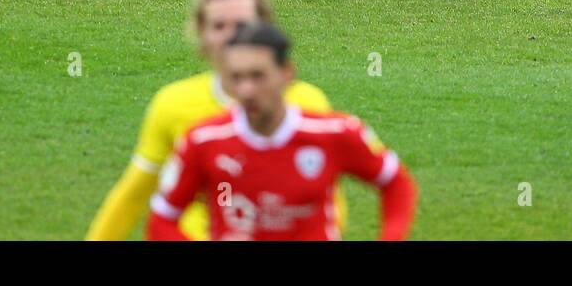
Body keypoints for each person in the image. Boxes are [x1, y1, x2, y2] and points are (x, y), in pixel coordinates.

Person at [86, 0, 335, 240]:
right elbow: (132, 197)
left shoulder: (307, 104)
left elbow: (329, 204)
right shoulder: (174, 105)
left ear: (264, 27)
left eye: (241, 25)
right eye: (218, 26)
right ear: (201, 34)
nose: (230, 37)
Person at [147, 22, 417, 241]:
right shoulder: (203, 141)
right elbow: (162, 218)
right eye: (237, 78)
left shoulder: (334, 134)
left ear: (286, 73)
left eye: (258, 76)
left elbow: (395, 183)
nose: (247, 90)